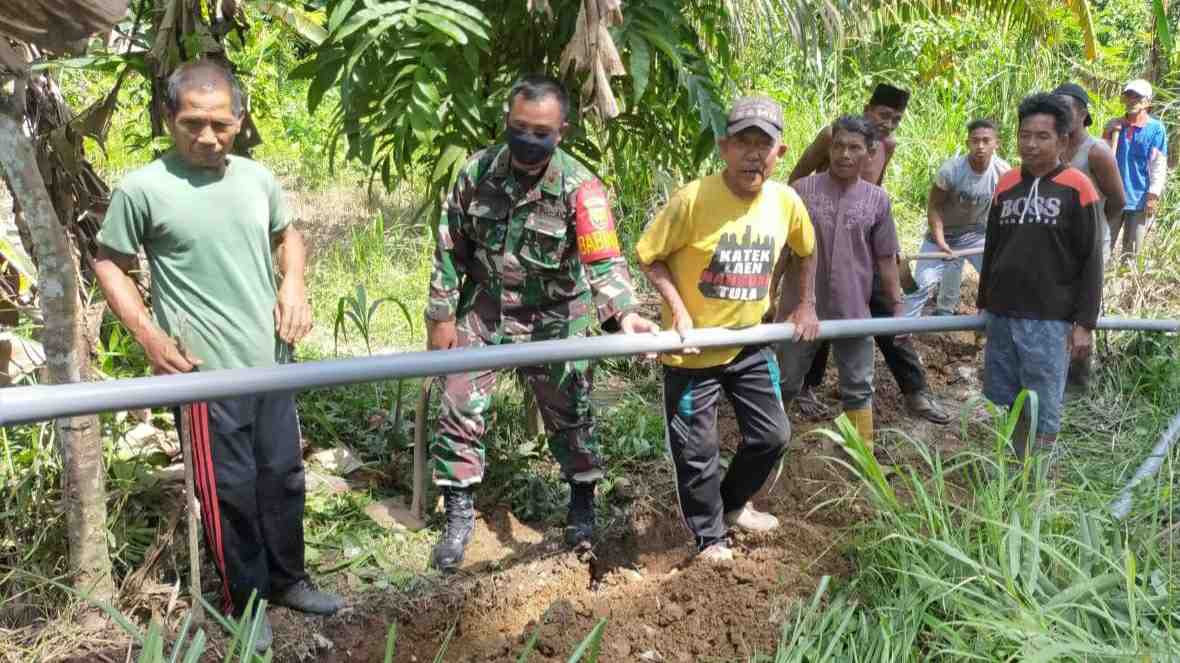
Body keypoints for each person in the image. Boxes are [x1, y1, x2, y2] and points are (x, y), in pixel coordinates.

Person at [93, 59, 341, 651]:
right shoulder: (143, 188)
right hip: (204, 375)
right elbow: (108, 262)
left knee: (282, 477)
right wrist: (148, 335)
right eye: (192, 123)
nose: (207, 136)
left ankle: (289, 581)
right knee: (227, 490)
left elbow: (289, 235)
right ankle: (246, 602)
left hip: (271, 362)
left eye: (220, 124)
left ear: (240, 120)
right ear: (168, 119)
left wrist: (294, 284)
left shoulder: (257, 179)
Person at [425, 75, 658, 572]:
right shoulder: (477, 173)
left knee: (571, 410)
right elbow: (450, 250)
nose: (529, 140)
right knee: (458, 400)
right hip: (488, 310)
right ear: (507, 122)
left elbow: (604, 262)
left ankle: (581, 503)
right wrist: (441, 317)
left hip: (557, 316)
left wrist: (627, 315)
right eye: (519, 127)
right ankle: (459, 511)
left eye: (542, 131)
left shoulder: (581, 187)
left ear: (563, 131)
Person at [637, 96, 817, 563]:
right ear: (724, 148)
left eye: (765, 145)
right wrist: (678, 310)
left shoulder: (786, 202)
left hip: (750, 343)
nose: (754, 154)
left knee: (772, 436)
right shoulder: (693, 199)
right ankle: (709, 537)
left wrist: (805, 305)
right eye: (744, 143)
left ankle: (734, 504)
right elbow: (649, 255)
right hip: (693, 353)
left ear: (780, 153)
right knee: (698, 452)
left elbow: (806, 249)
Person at [789, 84, 950, 425]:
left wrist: (876, 227)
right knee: (817, 312)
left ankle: (914, 391)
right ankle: (804, 387)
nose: (889, 123)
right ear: (867, 108)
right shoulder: (830, 137)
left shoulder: (885, 146)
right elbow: (797, 177)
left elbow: (878, 188)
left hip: (861, 244)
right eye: (883, 115)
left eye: (896, 118)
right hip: (820, 236)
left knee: (885, 313)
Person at [978, 93, 1102, 459]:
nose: (1030, 144)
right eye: (1024, 135)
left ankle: (1037, 479)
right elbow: (992, 247)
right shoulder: (1006, 184)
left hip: (1049, 319)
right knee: (1006, 396)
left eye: (1042, 136)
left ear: (1063, 140)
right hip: (1003, 313)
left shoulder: (1078, 187)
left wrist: (1084, 323)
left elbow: (1092, 259)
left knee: (1043, 403)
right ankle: (1013, 464)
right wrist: (983, 302)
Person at [777, 116, 904, 449]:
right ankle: (773, 447)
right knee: (787, 379)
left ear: (869, 153)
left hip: (853, 308)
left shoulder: (877, 200)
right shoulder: (801, 191)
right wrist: (766, 295)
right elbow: (781, 253)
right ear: (828, 148)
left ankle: (860, 455)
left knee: (859, 385)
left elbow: (886, 258)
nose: (844, 155)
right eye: (838, 146)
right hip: (799, 307)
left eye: (854, 148)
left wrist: (898, 306)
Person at [1052, 82, 1126, 394]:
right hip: (1058, 243)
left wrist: (1097, 231)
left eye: (1066, 108)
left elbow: (1118, 200)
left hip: (1091, 244)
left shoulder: (1096, 152)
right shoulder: (1053, 146)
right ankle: (1054, 373)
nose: (1060, 114)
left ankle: (1079, 384)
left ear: (1083, 114)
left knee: (1084, 307)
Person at [902, 119, 1010, 318]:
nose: (980, 146)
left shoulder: (1003, 172)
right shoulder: (951, 170)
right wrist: (941, 241)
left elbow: (1003, 209)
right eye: (975, 141)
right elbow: (934, 207)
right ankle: (901, 332)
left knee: (998, 279)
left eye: (986, 141)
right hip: (943, 235)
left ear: (997, 143)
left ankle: (988, 323)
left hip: (975, 235)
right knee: (920, 287)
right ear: (967, 142)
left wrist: (1001, 241)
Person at [1103, 79, 1168, 261]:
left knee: (1131, 253)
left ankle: (1126, 287)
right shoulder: (1115, 126)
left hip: (1139, 198)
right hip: (1113, 196)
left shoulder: (1156, 129)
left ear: (1147, 102)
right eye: (1128, 95)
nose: (1132, 100)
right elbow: (1103, 157)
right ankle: (1100, 287)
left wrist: (1153, 195)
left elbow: (1158, 164)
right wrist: (1107, 133)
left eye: (1137, 97)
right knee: (1103, 248)